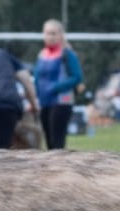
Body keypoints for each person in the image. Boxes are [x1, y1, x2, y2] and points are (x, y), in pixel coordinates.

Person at [32, 19, 84, 150]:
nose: (50, 37)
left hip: (61, 101)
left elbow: (77, 77)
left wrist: (56, 87)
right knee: (48, 141)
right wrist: (34, 98)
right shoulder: (41, 55)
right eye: (48, 33)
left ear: (61, 35)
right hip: (44, 102)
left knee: (57, 141)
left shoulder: (67, 55)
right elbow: (36, 78)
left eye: (54, 33)